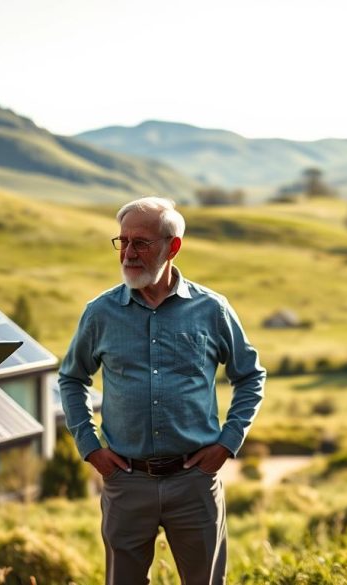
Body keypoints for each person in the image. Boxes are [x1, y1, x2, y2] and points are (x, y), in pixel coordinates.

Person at [59, 196, 266, 585]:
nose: (129, 253)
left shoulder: (212, 309)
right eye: (122, 241)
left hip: (195, 481)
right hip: (126, 479)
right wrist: (90, 447)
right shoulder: (100, 312)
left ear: (173, 247)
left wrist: (228, 442)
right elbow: (72, 378)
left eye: (142, 242)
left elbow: (250, 376)